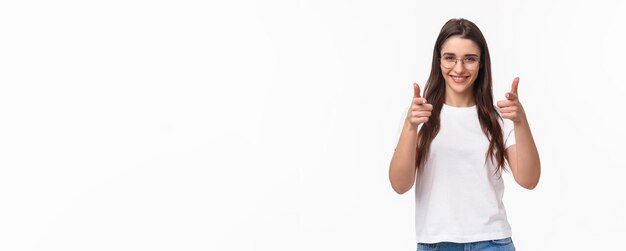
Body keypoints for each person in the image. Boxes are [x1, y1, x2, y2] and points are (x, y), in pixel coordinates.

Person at [388, 18, 541, 251]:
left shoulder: (499, 117)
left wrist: (521, 122)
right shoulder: (420, 116)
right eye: (450, 58)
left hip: (493, 242)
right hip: (437, 243)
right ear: (438, 61)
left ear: (481, 64)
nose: (459, 69)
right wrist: (410, 127)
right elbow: (399, 185)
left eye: (470, 59)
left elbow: (529, 180)